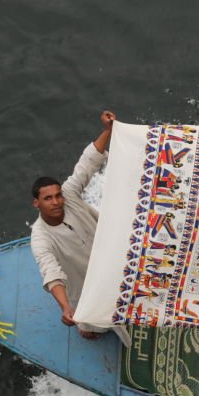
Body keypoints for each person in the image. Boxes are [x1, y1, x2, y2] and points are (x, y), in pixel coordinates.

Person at [30, 110, 115, 339]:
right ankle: (86, 327)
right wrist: (66, 308)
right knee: (96, 325)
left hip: (112, 259)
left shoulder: (70, 194)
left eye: (58, 195)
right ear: (36, 203)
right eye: (48, 199)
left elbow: (87, 163)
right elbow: (51, 273)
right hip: (86, 283)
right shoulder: (40, 238)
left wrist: (108, 131)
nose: (57, 202)